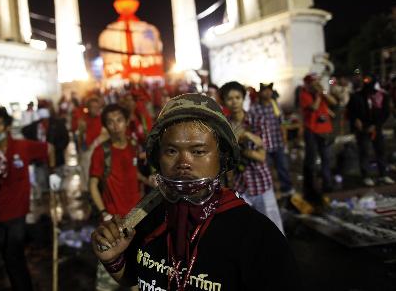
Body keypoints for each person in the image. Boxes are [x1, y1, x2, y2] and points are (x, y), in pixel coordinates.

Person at [91, 93, 300, 290]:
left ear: (222, 158)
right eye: (171, 151)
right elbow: (139, 278)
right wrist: (114, 260)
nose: (183, 163)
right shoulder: (147, 221)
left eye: (198, 151)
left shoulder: (255, 235)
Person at [0, 107, 60, 291]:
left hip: (17, 210)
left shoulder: (22, 146)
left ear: (7, 126)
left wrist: (53, 173)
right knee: (6, 257)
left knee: (14, 254)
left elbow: (49, 149)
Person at [89, 103, 151, 291]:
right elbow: (92, 185)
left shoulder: (133, 146)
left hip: (137, 218)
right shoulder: (101, 151)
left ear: (126, 123)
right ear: (105, 126)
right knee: (108, 276)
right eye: (110, 122)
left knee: (137, 272)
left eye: (119, 120)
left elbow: (134, 174)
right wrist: (104, 213)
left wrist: (149, 182)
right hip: (114, 222)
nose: (115, 125)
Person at [221, 82, 284, 233]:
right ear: (224, 101)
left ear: (243, 99)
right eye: (230, 99)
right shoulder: (224, 126)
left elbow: (262, 156)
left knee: (273, 228)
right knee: (248, 230)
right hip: (239, 185)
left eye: (238, 97)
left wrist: (244, 140)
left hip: (260, 182)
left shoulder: (257, 120)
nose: (234, 101)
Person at [347, 74, 394, 186]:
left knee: (381, 151)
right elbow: (350, 111)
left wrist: (376, 125)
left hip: (376, 127)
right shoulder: (356, 96)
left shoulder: (382, 95)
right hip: (362, 128)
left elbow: (385, 112)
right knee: (364, 152)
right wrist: (355, 120)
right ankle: (366, 176)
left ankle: (383, 175)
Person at [250, 83, 294, 197]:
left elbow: (282, 123)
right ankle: (270, 191)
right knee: (266, 170)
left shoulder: (275, 105)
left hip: (277, 141)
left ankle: (287, 189)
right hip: (264, 145)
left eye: (269, 90)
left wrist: (285, 138)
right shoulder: (254, 108)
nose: (268, 92)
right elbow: (251, 126)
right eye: (265, 90)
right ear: (260, 93)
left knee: (282, 167)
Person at [299, 73, 337, 204]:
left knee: (326, 158)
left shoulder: (321, 92)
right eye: (313, 83)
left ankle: (328, 184)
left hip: (325, 130)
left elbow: (334, 102)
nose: (316, 85)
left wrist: (323, 92)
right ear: (308, 84)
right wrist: (318, 96)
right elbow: (314, 107)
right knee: (311, 159)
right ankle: (310, 187)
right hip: (311, 130)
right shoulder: (304, 94)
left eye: (317, 82)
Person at [21, 106, 69, 198]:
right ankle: (46, 207)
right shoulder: (34, 126)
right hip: (40, 162)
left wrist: (56, 150)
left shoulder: (58, 124)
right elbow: (25, 132)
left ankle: (62, 205)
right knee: (43, 188)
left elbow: (65, 139)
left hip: (57, 161)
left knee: (59, 187)